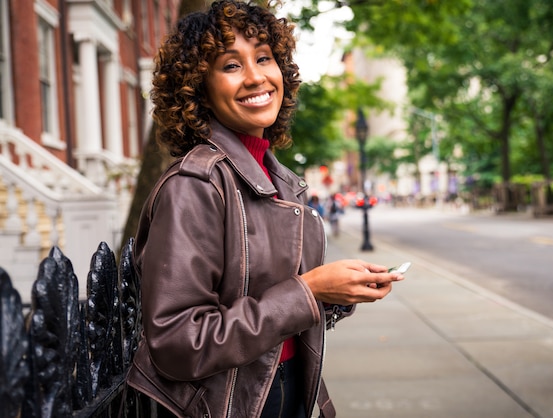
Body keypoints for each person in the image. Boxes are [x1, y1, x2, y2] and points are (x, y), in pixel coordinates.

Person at [125, 2, 404, 417]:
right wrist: (309, 291)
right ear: (198, 87)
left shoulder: (279, 180)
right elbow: (179, 343)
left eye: (263, 58)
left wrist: (335, 294)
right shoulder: (195, 185)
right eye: (231, 65)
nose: (256, 77)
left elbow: (268, 306)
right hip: (228, 404)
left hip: (285, 387)